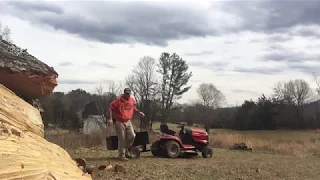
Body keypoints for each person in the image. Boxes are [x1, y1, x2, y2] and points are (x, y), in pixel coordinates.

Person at [108, 88, 145, 160]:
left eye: (129, 93)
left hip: (128, 121)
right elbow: (110, 108)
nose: (127, 95)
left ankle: (125, 150)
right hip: (119, 121)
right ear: (124, 93)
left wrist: (139, 112)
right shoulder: (118, 100)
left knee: (132, 136)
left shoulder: (132, 100)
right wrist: (110, 118)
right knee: (122, 138)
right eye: (126, 93)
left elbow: (133, 107)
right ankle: (121, 155)